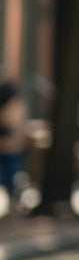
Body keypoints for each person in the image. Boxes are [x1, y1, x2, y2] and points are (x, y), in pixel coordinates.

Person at [0, 78, 28, 211]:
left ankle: (14, 201)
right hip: (8, 148)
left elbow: (11, 127)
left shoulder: (14, 108)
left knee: (11, 177)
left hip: (11, 149)